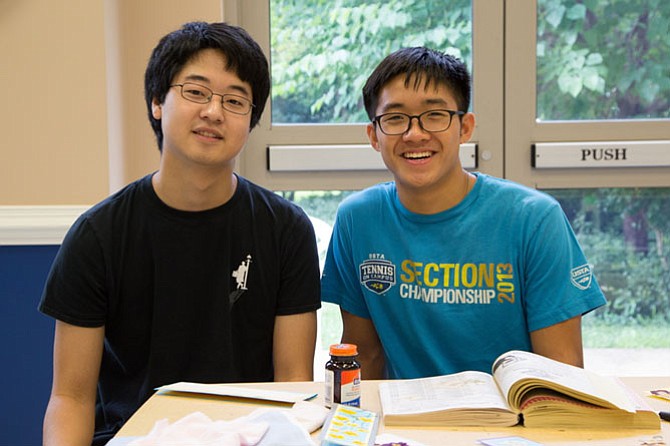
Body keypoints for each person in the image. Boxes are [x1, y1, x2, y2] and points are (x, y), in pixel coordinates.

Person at [39, 22, 321, 446]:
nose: (213, 111)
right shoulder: (98, 236)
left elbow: (293, 384)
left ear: (251, 120)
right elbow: (70, 397)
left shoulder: (286, 229)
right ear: (157, 101)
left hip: (252, 436)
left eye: (235, 100)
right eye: (196, 91)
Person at [320, 47, 606, 380]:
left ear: (465, 127)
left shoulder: (535, 220)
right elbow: (363, 355)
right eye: (395, 118)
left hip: (510, 421)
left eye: (435, 115)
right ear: (374, 135)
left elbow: (562, 371)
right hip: (404, 422)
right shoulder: (359, 220)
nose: (415, 134)